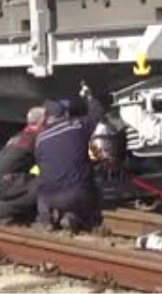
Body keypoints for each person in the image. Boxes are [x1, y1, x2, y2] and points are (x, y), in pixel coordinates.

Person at [34, 85, 104, 233]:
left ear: (47, 117)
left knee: (43, 182)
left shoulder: (40, 139)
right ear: (66, 113)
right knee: (89, 192)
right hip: (76, 194)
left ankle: (46, 219)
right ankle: (75, 218)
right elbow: (97, 115)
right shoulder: (77, 125)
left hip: (49, 197)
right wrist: (90, 97)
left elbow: (40, 165)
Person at [0, 105, 44, 225]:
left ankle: (17, 211)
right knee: (44, 185)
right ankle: (3, 209)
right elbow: (46, 165)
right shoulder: (36, 140)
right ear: (42, 122)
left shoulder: (19, 135)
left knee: (32, 181)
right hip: (4, 182)